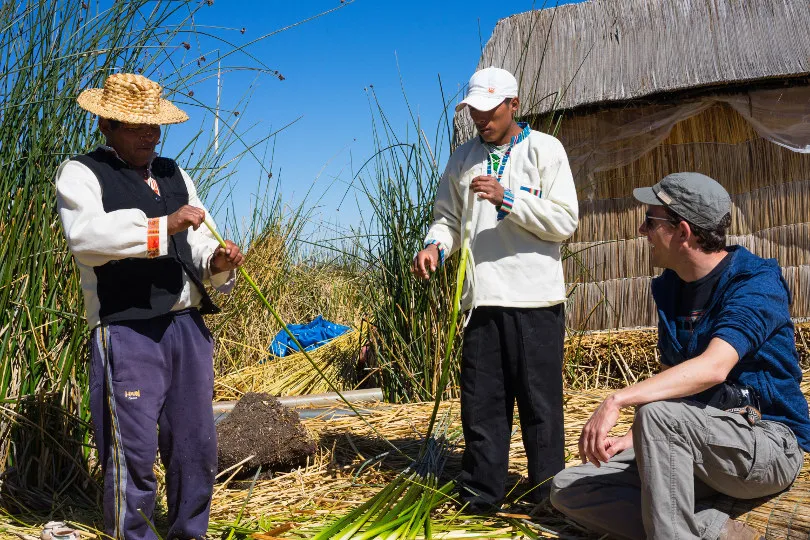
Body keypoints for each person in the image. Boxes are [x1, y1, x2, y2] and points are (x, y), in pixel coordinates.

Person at [550, 172, 810, 540]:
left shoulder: (755, 283)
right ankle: (714, 530)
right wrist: (634, 436)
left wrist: (617, 399)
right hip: (696, 440)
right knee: (569, 487)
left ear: (683, 231)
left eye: (651, 221)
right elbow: (673, 382)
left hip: (766, 443)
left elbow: (715, 367)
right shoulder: (670, 289)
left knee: (656, 414)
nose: (642, 230)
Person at [56, 73, 244, 540]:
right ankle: (134, 534)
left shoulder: (174, 173)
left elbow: (199, 241)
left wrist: (218, 262)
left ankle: (188, 533)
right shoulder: (81, 173)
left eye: (154, 126)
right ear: (106, 123)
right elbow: (87, 239)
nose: (150, 135)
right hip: (127, 330)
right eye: (137, 126)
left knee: (195, 444)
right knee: (133, 450)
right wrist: (164, 225)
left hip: (186, 325)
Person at [412, 66, 579, 512]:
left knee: (540, 406)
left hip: (535, 300)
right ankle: (482, 495)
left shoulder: (546, 150)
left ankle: (550, 496)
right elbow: (446, 219)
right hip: (481, 301)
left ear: (513, 106)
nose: (482, 120)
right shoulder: (462, 159)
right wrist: (434, 247)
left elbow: (565, 221)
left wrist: (509, 199)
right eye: (474, 112)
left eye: (490, 111)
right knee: (482, 406)